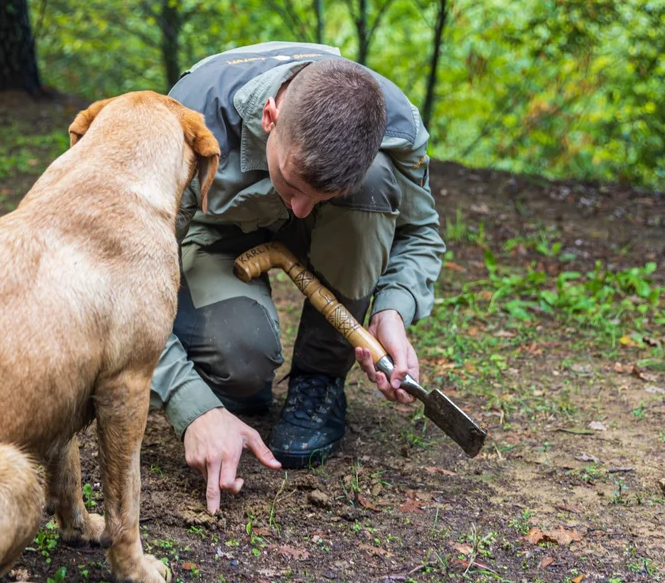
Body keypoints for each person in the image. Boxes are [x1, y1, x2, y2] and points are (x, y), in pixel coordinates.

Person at [149, 42, 446, 514]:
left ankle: (320, 379)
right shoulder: (192, 117)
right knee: (240, 366)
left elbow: (420, 230)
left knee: (374, 184)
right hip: (221, 233)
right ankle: (222, 381)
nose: (300, 208)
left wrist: (393, 308)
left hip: (336, 232)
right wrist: (194, 408)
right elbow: (134, 277)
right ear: (270, 116)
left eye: (322, 194)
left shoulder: (394, 123)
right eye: (292, 185)